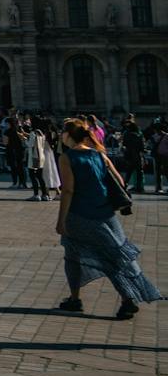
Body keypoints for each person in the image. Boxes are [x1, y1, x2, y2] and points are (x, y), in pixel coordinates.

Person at [54, 119, 159, 320]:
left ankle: (85, 299)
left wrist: (61, 220)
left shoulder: (68, 158)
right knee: (113, 256)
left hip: (79, 215)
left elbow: (68, 191)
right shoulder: (99, 154)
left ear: (68, 135)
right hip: (106, 214)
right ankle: (86, 298)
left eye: (62, 132)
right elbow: (119, 181)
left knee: (74, 256)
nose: (61, 136)